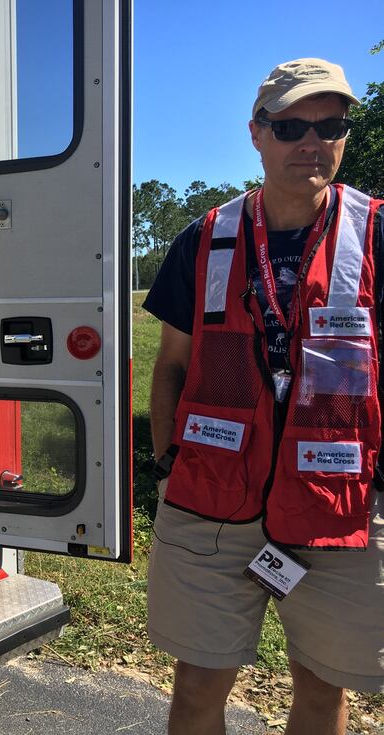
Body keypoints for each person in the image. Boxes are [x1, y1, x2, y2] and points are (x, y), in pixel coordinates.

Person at [143, 58, 384, 735]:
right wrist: (169, 462)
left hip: (338, 507)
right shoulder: (206, 237)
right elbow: (171, 367)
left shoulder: (376, 234)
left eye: (331, 125)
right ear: (257, 133)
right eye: (291, 126)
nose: (312, 142)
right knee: (194, 690)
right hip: (211, 502)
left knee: (321, 688)